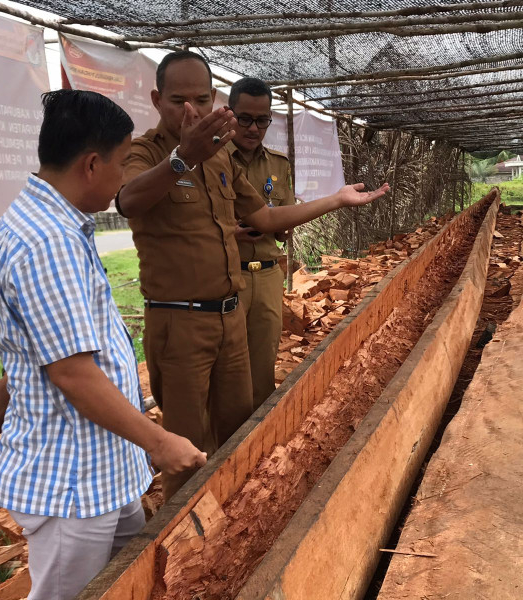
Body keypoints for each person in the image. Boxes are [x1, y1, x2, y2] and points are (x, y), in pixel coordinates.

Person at [116, 50, 389, 500]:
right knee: (187, 447)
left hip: (229, 318)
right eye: (177, 100)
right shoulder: (146, 152)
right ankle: (184, 538)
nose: (192, 111)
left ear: (214, 98)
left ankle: (238, 519)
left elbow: (264, 218)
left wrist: (337, 200)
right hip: (179, 322)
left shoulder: (220, 156)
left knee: (241, 430)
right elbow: (127, 200)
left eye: (202, 99)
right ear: (156, 100)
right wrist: (183, 158)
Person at [0, 89, 205, 600]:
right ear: (91, 164)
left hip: (104, 467)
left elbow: (54, 338)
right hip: (73, 483)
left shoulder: (57, 224)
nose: (123, 176)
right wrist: (160, 442)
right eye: (123, 163)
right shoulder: (48, 241)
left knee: (124, 580)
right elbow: (73, 374)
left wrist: (12, 379)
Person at [227, 77, 295, 410]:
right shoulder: (212, 161)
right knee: (228, 367)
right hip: (227, 278)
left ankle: (259, 440)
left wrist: (284, 225)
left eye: (262, 120)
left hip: (268, 275)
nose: (253, 128)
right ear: (230, 114)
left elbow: (284, 225)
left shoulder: (279, 166)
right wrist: (231, 232)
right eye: (245, 118)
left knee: (263, 366)